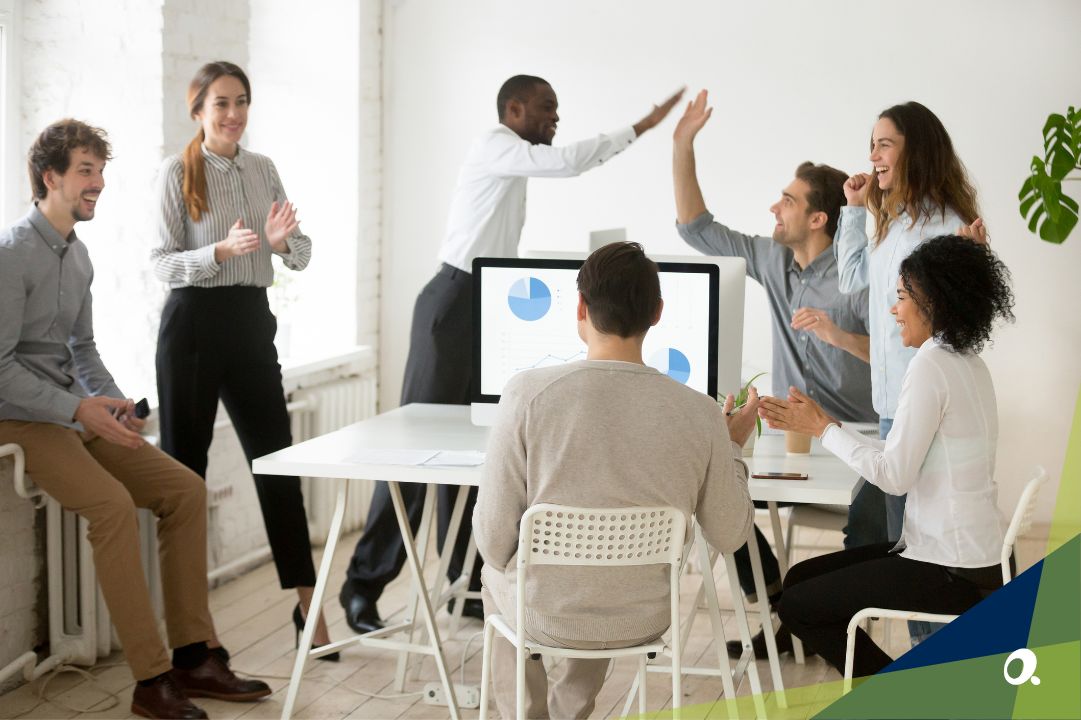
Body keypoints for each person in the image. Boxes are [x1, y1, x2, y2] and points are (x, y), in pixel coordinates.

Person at [339, 74, 685, 634]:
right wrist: (641, 126)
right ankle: (363, 585)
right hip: (450, 303)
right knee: (413, 450)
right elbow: (568, 163)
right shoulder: (496, 146)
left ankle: (465, 583)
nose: (555, 118)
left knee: (481, 446)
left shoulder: (515, 160)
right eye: (547, 108)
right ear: (513, 108)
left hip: (482, 301)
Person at [0, 119, 271, 719]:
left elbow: (83, 349)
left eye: (101, 171)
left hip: (73, 410)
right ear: (50, 178)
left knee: (185, 491)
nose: (98, 183)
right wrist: (77, 409)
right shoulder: (11, 253)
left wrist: (114, 403)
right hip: (21, 418)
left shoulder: (78, 256)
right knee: (114, 509)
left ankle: (195, 656)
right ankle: (151, 681)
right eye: (85, 172)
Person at [474, 241, 757, 719]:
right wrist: (730, 447)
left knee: (493, 575)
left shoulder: (525, 395)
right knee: (610, 575)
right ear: (658, 312)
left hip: (543, 613)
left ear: (580, 308)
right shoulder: (700, 413)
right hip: (641, 616)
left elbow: (494, 541)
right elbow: (731, 534)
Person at [672, 89, 884, 657]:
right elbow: (697, 229)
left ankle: (832, 629)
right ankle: (777, 610)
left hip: (860, 434)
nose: (773, 209)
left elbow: (893, 356)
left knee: (866, 532)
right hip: (792, 435)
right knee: (723, 494)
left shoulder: (858, 273)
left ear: (818, 218)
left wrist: (837, 335)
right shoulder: (771, 259)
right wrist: (682, 143)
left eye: (786, 201)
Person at [759, 235, 1015, 678]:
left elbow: (894, 476)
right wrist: (829, 428)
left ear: (932, 301)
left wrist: (822, 428)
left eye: (900, 297)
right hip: (974, 558)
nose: (893, 310)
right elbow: (906, 454)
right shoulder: (966, 359)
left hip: (952, 570)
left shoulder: (933, 364)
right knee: (799, 580)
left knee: (799, 605)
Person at [152, 61, 335, 657]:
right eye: (221, 104)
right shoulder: (175, 174)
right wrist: (218, 251)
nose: (234, 115)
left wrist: (283, 245)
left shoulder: (263, 169)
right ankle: (192, 634)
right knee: (186, 477)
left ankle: (309, 608)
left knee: (277, 464)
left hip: (252, 325)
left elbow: (300, 253)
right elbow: (159, 264)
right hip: (193, 326)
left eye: (242, 102)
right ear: (198, 111)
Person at [836, 100, 986, 644]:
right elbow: (853, 282)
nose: (873, 156)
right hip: (889, 406)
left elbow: (958, 317)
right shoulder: (892, 223)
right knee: (902, 544)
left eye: (884, 144)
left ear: (914, 151)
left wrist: (971, 263)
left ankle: (939, 666)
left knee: (919, 555)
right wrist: (854, 209)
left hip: (920, 403)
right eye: (872, 144)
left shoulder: (945, 226)